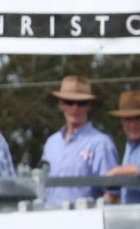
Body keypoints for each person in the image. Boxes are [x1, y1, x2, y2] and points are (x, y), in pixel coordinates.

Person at [38, 75, 117, 207]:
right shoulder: (51, 143)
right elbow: (41, 186)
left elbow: (112, 193)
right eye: (69, 102)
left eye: (81, 103)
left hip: (85, 217)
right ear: (61, 104)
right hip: (49, 215)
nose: (75, 108)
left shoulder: (101, 143)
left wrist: (92, 215)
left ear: (88, 106)